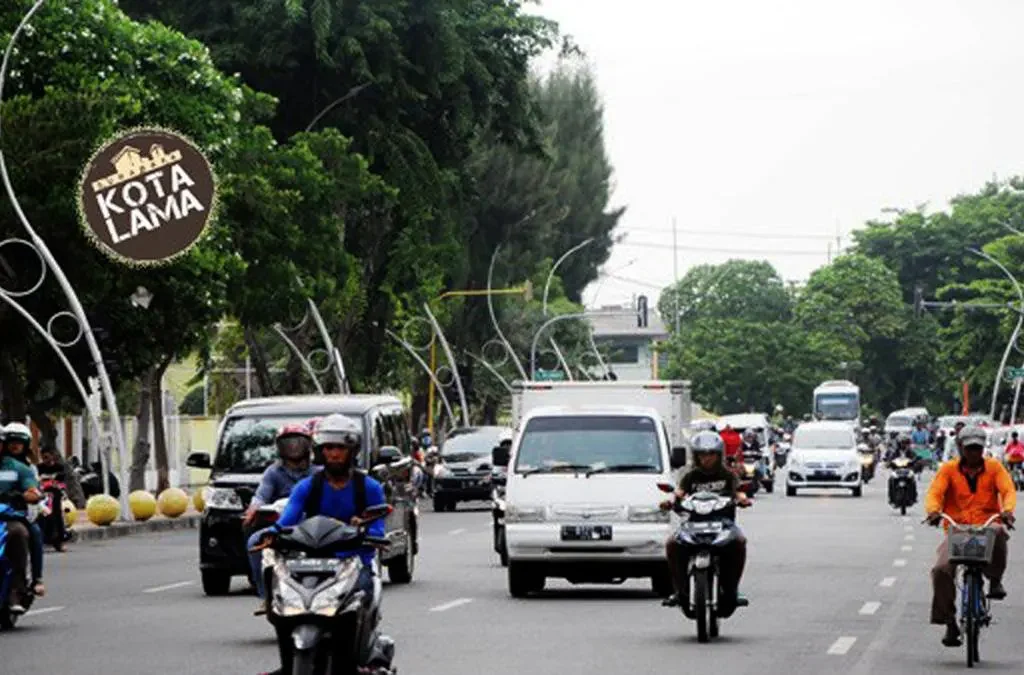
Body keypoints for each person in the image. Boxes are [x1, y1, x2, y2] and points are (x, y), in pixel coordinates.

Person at [255, 413, 386, 675]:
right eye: (328, 448)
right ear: (319, 451)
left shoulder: (369, 487)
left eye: (339, 448)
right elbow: (289, 517)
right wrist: (271, 532)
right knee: (282, 601)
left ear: (351, 451)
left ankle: (354, 662)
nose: (334, 454)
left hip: (353, 561)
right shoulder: (307, 486)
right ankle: (287, 663)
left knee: (360, 597)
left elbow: (378, 526)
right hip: (309, 560)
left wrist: (367, 532)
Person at [925, 425, 1016, 647]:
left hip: (987, 526)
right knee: (941, 570)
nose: (974, 453)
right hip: (957, 530)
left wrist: (1007, 512)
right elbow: (935, 493)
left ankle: (995, 581)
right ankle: (949, 621)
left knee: (999, 532)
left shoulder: (994, 468)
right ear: (960, 448)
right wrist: (934, 512)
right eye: (970, 449)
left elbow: (1007, 490)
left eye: (978, 448)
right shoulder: (948, 470)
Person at [660, 431, 751, 615]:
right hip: (693, 524)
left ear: (719, 455)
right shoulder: (690, 476)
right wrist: (670, 502)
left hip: (723, 524)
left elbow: (738, 492)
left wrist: (742, 499)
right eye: (702, 455)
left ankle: (732, 589)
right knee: (672, 544)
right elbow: (679, 492)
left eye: (711, 454)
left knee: (739, 542)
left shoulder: (727, 475)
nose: (706, 459)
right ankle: (680, 591)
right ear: (696, 456)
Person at [245, 422, 318, 613]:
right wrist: (254, 509)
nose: (293, 447)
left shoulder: (318, 473)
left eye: (298, 442)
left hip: (313, 527)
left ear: (309, 446)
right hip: (282, 526)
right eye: (288, 443)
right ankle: (264, 595)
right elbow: (261, 496)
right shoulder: (273, 472)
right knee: (254, 541)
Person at [0, 422, 44, 614]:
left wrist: (32, 494)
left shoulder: (17, 468)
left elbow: (31, 487)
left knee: (20, 532)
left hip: (7, 516)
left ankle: (17, 590)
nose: (15, 445)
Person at [37, 446, 69, 552]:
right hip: (42, 495)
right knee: (42, 516)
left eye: (47, 457)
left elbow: (61, 482)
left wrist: (52, 482)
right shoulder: (39, 467)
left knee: (57, 516)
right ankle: (41, 541)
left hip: (55, 495)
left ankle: (59, 541)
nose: (45, 460)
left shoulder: (59, 467)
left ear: (52, 456)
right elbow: (37, 480)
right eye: (43, 457)